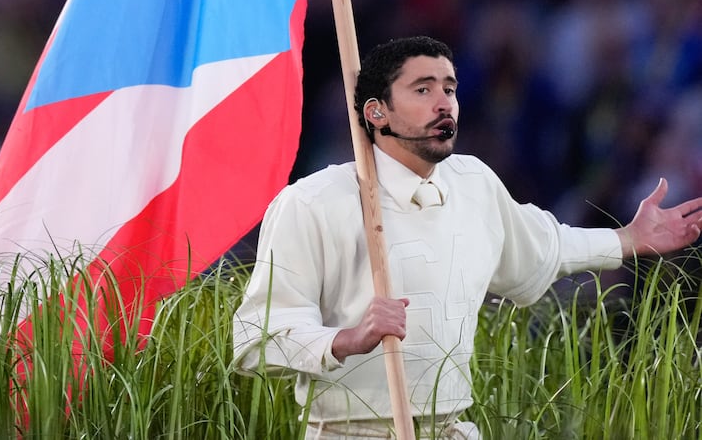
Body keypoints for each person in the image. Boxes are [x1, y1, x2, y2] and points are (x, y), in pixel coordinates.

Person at [232, 35, 702, 440]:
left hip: (455, 428)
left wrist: (626, 239)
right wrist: (348, 339)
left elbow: (542, 245)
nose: (445, 103)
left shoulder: (474, 181)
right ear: (376, 111)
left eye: (450, 89)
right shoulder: (312, 201)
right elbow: (255, 338)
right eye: (423, 89)